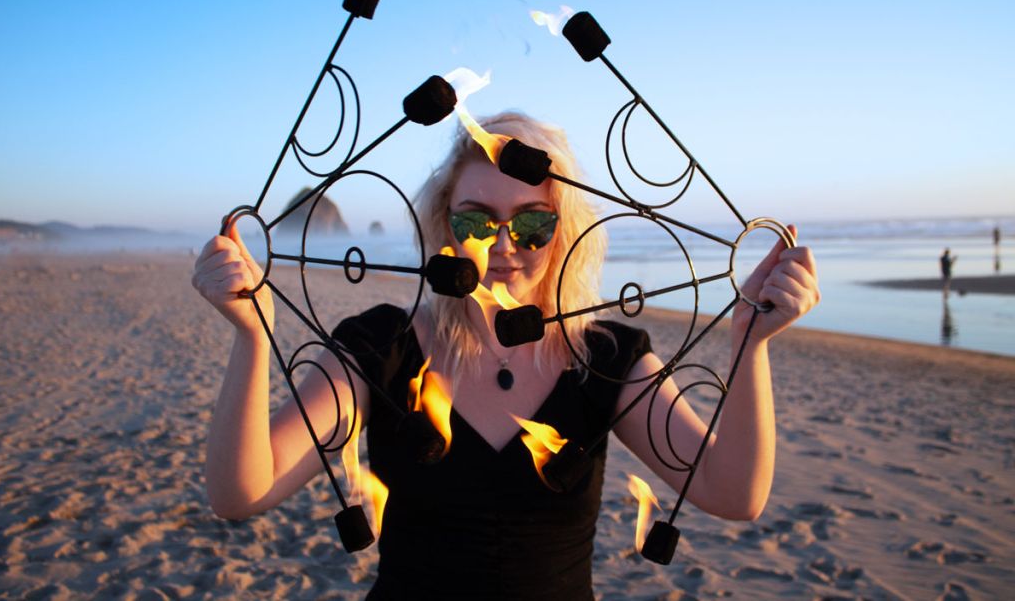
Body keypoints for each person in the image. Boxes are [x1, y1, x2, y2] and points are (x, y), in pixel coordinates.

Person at [191, 112, 820, 599]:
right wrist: (252, 335)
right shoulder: (380, 349)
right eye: (477, 221)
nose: (505, 245)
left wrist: (750, 343)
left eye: (532, 223)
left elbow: (734, 493)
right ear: (445, 224)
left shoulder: (604, 358)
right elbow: (239, 491)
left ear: (562, 230)